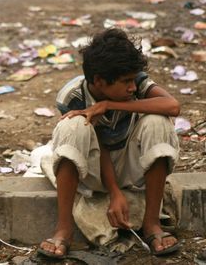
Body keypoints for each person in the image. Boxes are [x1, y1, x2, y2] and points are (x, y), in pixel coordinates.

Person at [38, 28, 181, 258]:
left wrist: (111, 105)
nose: (132, 88)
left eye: (133, 80)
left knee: (158, 121)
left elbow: (172, 106)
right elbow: (100, 146)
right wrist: (114, 192)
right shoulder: (72, 95)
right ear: (99, 81)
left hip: (133, 167)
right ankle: (64, 230)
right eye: (125, 82)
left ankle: (152, 225)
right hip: (93, 170)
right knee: (72, 125)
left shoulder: (138, 83)